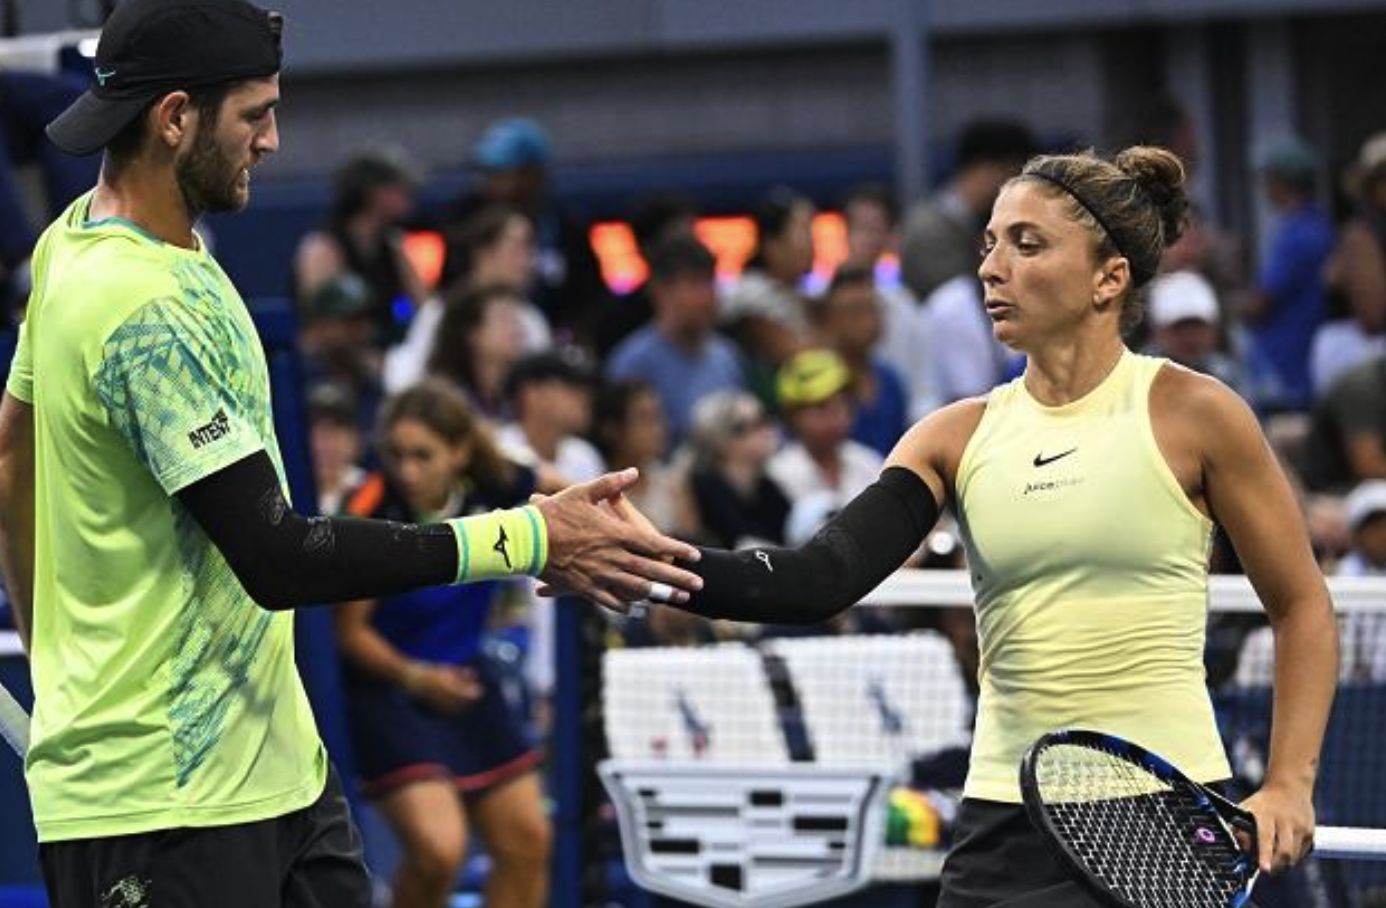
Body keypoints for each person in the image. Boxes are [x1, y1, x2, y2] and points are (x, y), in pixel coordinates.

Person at [0, 4, 701, 906]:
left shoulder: (76, 243)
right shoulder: (139, 310)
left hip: (280, 779)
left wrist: (53, 656)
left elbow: (11, 452)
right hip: (161, 809)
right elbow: (277, 556)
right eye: (254, 115)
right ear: (174, 118)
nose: (273, 140)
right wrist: (529, 538)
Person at [650, 145, 1337, 903]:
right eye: (989, 245)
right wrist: (646, 562)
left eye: (1027, 244)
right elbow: (820, 581)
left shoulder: (1198, 413)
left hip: (1165, 816)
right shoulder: (953, 435)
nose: (991, 268)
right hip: (1002, 830)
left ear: (1110, 278)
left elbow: (1301, 604)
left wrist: (1287, 784)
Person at [335, 381, 551, 908]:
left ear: (459, 452)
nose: (406, 470)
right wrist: (417, 678)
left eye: (422, 456)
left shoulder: (495, 484)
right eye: (396, 454)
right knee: (440, 849)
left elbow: (572, 497)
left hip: (465, 681)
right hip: (389, 692)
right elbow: (349, 633)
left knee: (529, 840)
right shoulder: (369, 507)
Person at [606, 232, 745, 447]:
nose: (707, 296)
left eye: (710, 283)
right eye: (694, 284)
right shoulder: (632, 363)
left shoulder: (727, 357)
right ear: (660, 291)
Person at [294, 149, 427, 352]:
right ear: (374, 194)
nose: (408, 197)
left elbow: (424, 307)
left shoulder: (393, 247)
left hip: (385, 356)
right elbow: (323, 325)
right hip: (332, 363)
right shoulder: (322, 248)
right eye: (400, 190)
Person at [1240, 139, 1334, 410]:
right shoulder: (1317, 225)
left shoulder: (1299, 235)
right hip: (1302, 359)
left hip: (1286, 365)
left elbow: (1261, 303)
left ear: (1281, 183)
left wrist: (1231, 307)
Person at [899, 119, 1037, 302]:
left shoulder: (972, 221)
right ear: (985, 169)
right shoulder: (930, 230)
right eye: (1013, 174)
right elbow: (964, 301)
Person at [767, 348, 885, 507]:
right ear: (792, 415)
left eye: (843, 403)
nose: (836, 415)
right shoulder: (777, 476)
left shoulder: (868, 462)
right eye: (821, 406)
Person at [812, 265, 910, 456]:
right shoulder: (818, 383)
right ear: (830, 318)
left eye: (872, 310)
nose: (867, 321)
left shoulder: (890, 380)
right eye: (855, 311)